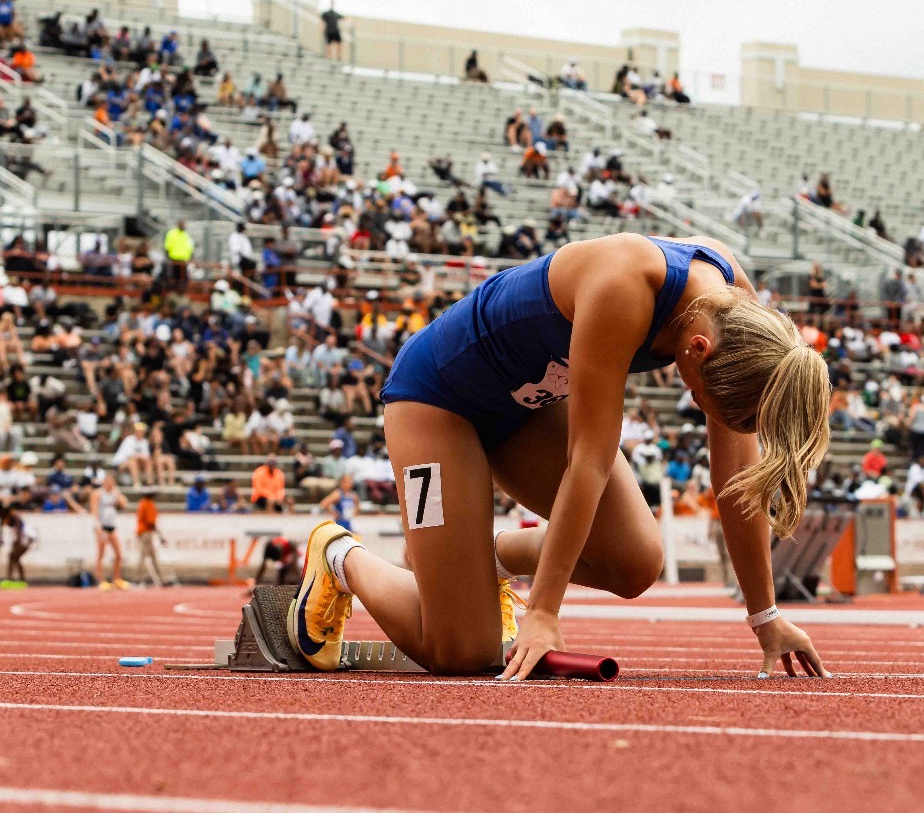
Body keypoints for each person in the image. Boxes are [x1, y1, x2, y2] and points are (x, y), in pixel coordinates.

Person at [287, 232, 829, 680]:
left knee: (636, 562)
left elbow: (735, 476)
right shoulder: (625, 286)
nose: (697, 405)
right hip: (436, 401)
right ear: (698, 351)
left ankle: (486, 563)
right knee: (461, 654)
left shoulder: (742, 322)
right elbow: (588, 460)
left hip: (526, 408)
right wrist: (544, 612)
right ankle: (339, 554)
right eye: (702, 399)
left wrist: (766, 617)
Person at [84, 470, 129, 589]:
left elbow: (124, 504)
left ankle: (117, 578)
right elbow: (94, 510)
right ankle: (101, 580)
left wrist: (117, 494)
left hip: (111, 526)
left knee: (119, 553)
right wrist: (97, 526)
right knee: (101, 553)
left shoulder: (114, 494)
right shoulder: (98, 493)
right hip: (102, 527)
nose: (110, 483)